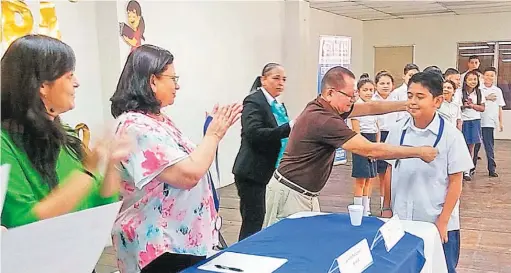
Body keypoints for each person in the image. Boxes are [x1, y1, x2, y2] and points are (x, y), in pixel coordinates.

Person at [109, 44, 242, 273]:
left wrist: (210, 134)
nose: (177, 85)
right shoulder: (134, 126)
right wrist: (214, 134)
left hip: (179, 242)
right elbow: (188, 174)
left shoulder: (158, 120)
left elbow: (190, 162)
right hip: (157, 246)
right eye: (173, 78)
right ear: (152, 81)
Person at [262, 66, 438, 227]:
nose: (353, 99)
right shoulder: (324, 119)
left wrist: (406, 105)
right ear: (330, 93)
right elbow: (371, 150)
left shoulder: (328, 106)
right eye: (349, 95)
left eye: (355, 95)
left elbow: (369, 108)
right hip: (290, 194)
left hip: (304, 193)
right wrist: (419, 151)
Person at [1, 35, 131, 229]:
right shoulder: (5, 143)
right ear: (43, 85)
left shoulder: (65, 135)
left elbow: (100, 203)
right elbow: (23, 221)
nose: (76, 82)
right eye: (69, 75)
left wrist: (112, 164)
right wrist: (88, 170)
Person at [382, 71, 473, 273]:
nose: (412, 101)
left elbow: (456, 182)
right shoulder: (398, 130)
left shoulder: (451, 136)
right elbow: (389, 170)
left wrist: (442, 221)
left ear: (437, 101)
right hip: (401, 219)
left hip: (436, 222)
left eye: (420, 97)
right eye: (410, 95)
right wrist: (386, 207)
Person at [232, 63, 293, 241]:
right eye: (276, 78)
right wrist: (288, 128)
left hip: (271, 170)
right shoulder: (254, 101)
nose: (280, 83)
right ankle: (243, 257)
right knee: (253, 220)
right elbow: (254, 133)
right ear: (263, 79)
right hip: (252, 172)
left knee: (265, 217)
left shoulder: (278, 105)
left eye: (284, 79)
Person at [350, 76, 379, 216]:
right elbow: (356, 131)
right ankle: (357, 209)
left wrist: (377, 146)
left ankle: (366, 209)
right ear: (358, 91)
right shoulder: (356, 107)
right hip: (361, 143)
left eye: (371, 90)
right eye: (365, 90)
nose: (368, 93)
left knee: (370, 178)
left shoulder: (374, 106)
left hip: (373, 142)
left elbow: (377, 128)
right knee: (361, 179)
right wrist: (365, 148)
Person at [474, 67, 506, 177]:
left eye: (492, 75)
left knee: (489, 146)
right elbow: (474, 102)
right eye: (487, 75)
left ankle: (492, 169)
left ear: (495, 77)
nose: (489, 77)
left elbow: (500, 108)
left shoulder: (498, 91)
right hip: (477, 120)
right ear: (482, 76)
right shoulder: (478, 89)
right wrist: (487, 97)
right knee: (475, 146)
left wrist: (500, 122)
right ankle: (471, 169)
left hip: (489, 122)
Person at [372, 71, 396, 209]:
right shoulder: (373, 100)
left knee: (390, 170)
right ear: (376, 85)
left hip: (393, 136)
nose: (385, 86)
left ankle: (388, 202)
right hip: (378, 137)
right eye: (382, 83)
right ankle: (381, 202)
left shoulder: (396, 99)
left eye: (388, 83)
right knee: (379, 172)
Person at [460, 70, 485, 181]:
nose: (473, 81)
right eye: (470, 79)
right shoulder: (459, 92)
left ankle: (467, 171)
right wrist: (464, 106)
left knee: (471, 146)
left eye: (475, 79)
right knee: (461, 146)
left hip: (475, 121)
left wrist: (472, 105)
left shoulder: (479, 93)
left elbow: (482, 108)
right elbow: (456, 106)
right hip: (463, 120)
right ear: (465, 80)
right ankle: (459, 170)